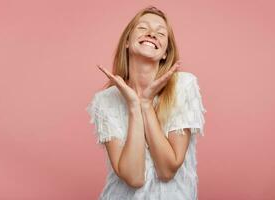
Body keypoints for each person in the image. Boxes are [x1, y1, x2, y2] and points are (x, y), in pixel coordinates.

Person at [86, 6, 207, 200]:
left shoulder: (183, 86)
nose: (151, 33)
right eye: (142, 28)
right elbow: (134, 178)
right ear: (127, 41)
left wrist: (146, 105)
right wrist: (134, 106)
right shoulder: (105, 101)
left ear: (166, 53)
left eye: (161, 33)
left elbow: (167, 170)